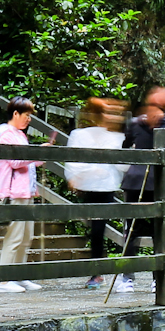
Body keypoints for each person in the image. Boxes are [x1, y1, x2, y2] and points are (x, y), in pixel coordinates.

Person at [114, 86, 165, 295]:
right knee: (141, 231)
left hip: (151, 183)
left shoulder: (147, 123)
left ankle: (149, 278)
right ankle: (139, 278)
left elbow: (125, 148)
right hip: (148, 183)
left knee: (145, 232)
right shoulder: (158, 124)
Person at [65, 98, 129, 290]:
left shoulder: (119, 137)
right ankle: (98, 269)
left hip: (106, 187)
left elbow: (123, 165)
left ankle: (98, 271)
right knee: (96, 229)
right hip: (88, 185)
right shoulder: (81, 134)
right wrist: (76, 176)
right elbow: (73, 158)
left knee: (98, 229)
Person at [0, 96, 43, 293]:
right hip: (11, 191)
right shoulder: (4, 134)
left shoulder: (20, 134)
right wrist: (35, 155)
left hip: (25, 190)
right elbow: (13, 161)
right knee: (14, 235)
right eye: (27, 115)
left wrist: (39, 156)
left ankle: (18, 275)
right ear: (15, 113)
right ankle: (3, 280)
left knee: (26, 235)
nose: (29, 119)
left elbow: (25, 161)